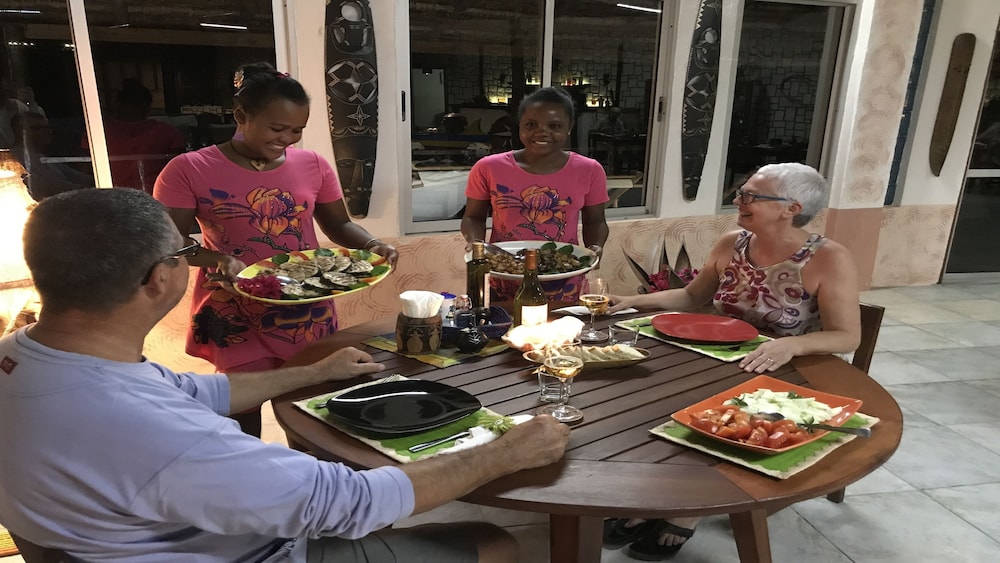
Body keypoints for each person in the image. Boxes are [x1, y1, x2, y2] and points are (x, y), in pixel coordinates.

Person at [0, 187, 571, 562]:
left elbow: (200, 391)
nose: (189, 263)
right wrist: (504, 453)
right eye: (185, 253)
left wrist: (316, 371)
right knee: (494, 543)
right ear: (158, 279)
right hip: (253, 553)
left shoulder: (27, 356)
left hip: (107, 541)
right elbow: (346, 502)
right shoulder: (154, 432)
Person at [604, 162, 861, 560]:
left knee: (714, 413)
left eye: (751, 195)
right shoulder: (732, 243)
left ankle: (690, 508)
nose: (739, 200)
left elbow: (847, 336)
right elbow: (692, 297)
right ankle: (658, 494)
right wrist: (631, 301)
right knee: (651, 392)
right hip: (721, 356)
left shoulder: (828, 258)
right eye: (742, 191)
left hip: (788, 372)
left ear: (791, 209)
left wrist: (791, 346)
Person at [154, 62, 399, 438]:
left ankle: (308, 472)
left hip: (305, 307)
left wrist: (372, 244)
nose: (287, 139)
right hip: (234, 308)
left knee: (309, 407)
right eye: (277, 128)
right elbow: (169, 243)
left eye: (296, 130)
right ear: (241, 116)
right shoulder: (188, 169)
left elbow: (338, 224)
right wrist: (218, 258)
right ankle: (246, 473)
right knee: (242, 415)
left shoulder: (313, 164)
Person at [461, 86, 610, 303]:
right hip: (504, 277)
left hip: (563, 279)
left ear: (569, 127)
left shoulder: (590, 170)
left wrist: (596, 247)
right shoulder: (488, 168)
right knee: (504, 325)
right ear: (520, 125)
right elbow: (473, 217)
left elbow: (595, 221)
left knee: (560, 326)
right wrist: (475, 243)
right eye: (531, 125)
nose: (542, 132)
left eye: (554, 126)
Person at [94, 78, 185, 193]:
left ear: (118, 104)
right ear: (147, 106)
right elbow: (180, 166)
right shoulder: (166, 130)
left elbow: (86, 167)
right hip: (155, 192)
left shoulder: (98, 131)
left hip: (111, 192)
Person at [11, 110, 95, 200]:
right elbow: (56, 187)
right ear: (21, 131)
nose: (48, 132)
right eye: (39, 128)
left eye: (49, 128)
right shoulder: (16, 161)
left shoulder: (42, 159)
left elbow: (79, 177)